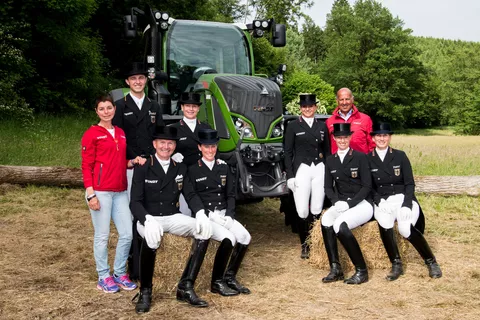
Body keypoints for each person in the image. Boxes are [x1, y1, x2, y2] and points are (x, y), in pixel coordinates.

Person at [130, 125, 214, 314]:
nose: (166, 147)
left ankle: (186, 286)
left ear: (174, 146)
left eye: (170, 143)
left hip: (172, 215)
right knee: (151, 238)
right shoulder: (143, 167)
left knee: (203, 231)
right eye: (162, 143)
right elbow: (134, 202)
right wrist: (146, 219)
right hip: (150, 218)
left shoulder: (180, 167)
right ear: (154, 144)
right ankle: (145, 291)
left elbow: (190, 194)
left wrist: (200, 212)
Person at [81, 95, 144, 293]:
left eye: (109, 108)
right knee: (102, 235)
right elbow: (86, 166)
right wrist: (91, 194)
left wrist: (133, 162)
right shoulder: (91, 134)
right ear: (96, 111)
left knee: (126, 234)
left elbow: (120, 161)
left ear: (114, 110)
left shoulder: (120, 132)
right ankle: (103, 276)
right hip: (100, 191)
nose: (106, 111)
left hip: (120, 191)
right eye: (102, 108)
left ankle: (119, 273)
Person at [368, 122, 442, 280]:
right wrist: (379, 201)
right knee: (385, 223)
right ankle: (396, 265)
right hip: (384, 201)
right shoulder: (368, 159)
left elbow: (409, 183)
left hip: (403, 198)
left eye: (385, 135)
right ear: (373, 138)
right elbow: (369, 186)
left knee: (405, 228)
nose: (382, 138)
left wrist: (407, 204)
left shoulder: (400, 155)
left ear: (390, 137)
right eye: (379, 135)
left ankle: (431, 262)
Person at [188, 129, 251, 296]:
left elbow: (231, 194)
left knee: (245, 237)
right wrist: (205, 214)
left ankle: (230, 277)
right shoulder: (193, 169)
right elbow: (192, 196)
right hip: (206, 216)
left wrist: (230, 215)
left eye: (213, 147)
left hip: (223, 214)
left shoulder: (224, 167)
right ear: (200, 147)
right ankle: (216, 282)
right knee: (229, 238)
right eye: (207, 147)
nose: (210, 150)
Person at [321, 123, 373, 285]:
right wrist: (336, 202)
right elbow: (328, 187)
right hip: (341, 202)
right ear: (334, 139)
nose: (342, 140)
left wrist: (350, 204)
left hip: (362, 203)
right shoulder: (330, 160)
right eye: (339, 137)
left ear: (350, 137)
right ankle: (336, 268)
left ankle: (361, 271)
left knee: (340, 225)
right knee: (325, 220)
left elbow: (367, 186)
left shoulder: (360, 157)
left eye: (345, 137)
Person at [284, 93, 330, 259]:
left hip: (319, 168)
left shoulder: (322, 126)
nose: (308, 109)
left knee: (317, 208)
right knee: (302, 209)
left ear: (315, 107)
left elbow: (327, 151)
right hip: (302, 169)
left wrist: (329, 172)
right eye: (304, 107)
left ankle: (316, 241)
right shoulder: (293, 126)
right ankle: (304, 244)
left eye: (310, 106)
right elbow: (287, 153)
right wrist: (290, 175)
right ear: (300, 108)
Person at [112, 62, 166, 197]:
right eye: (133, 79)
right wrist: (134, 157)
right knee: (132, 200)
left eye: (141, 78)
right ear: (127, 81)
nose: (138, 82)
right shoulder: (119, 106)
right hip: (130, 162)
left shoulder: (154, 105)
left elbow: (160, 133)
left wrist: (155, 155)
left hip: (151, 160)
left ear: (146, 80)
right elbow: (118, 137)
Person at [171, 92, 212, 216]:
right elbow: (166, 150)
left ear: (198, 109)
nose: (191, 109)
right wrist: (172, 155)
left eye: (194, 106)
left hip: (203, 174)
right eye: (187, 106)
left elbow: (213, 149)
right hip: (185, 175)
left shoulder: (206, 128)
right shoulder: (174, 129)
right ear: (182, 107)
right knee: (187, 210)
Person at [325, 88, 375, 154]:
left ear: (352, 99)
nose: (344, 102)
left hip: (360, 162)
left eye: (347, 99)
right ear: (337, 101)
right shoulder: (329, 121)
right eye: (341, 100)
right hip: (338, 162)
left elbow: (372, 144)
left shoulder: (365, 119)